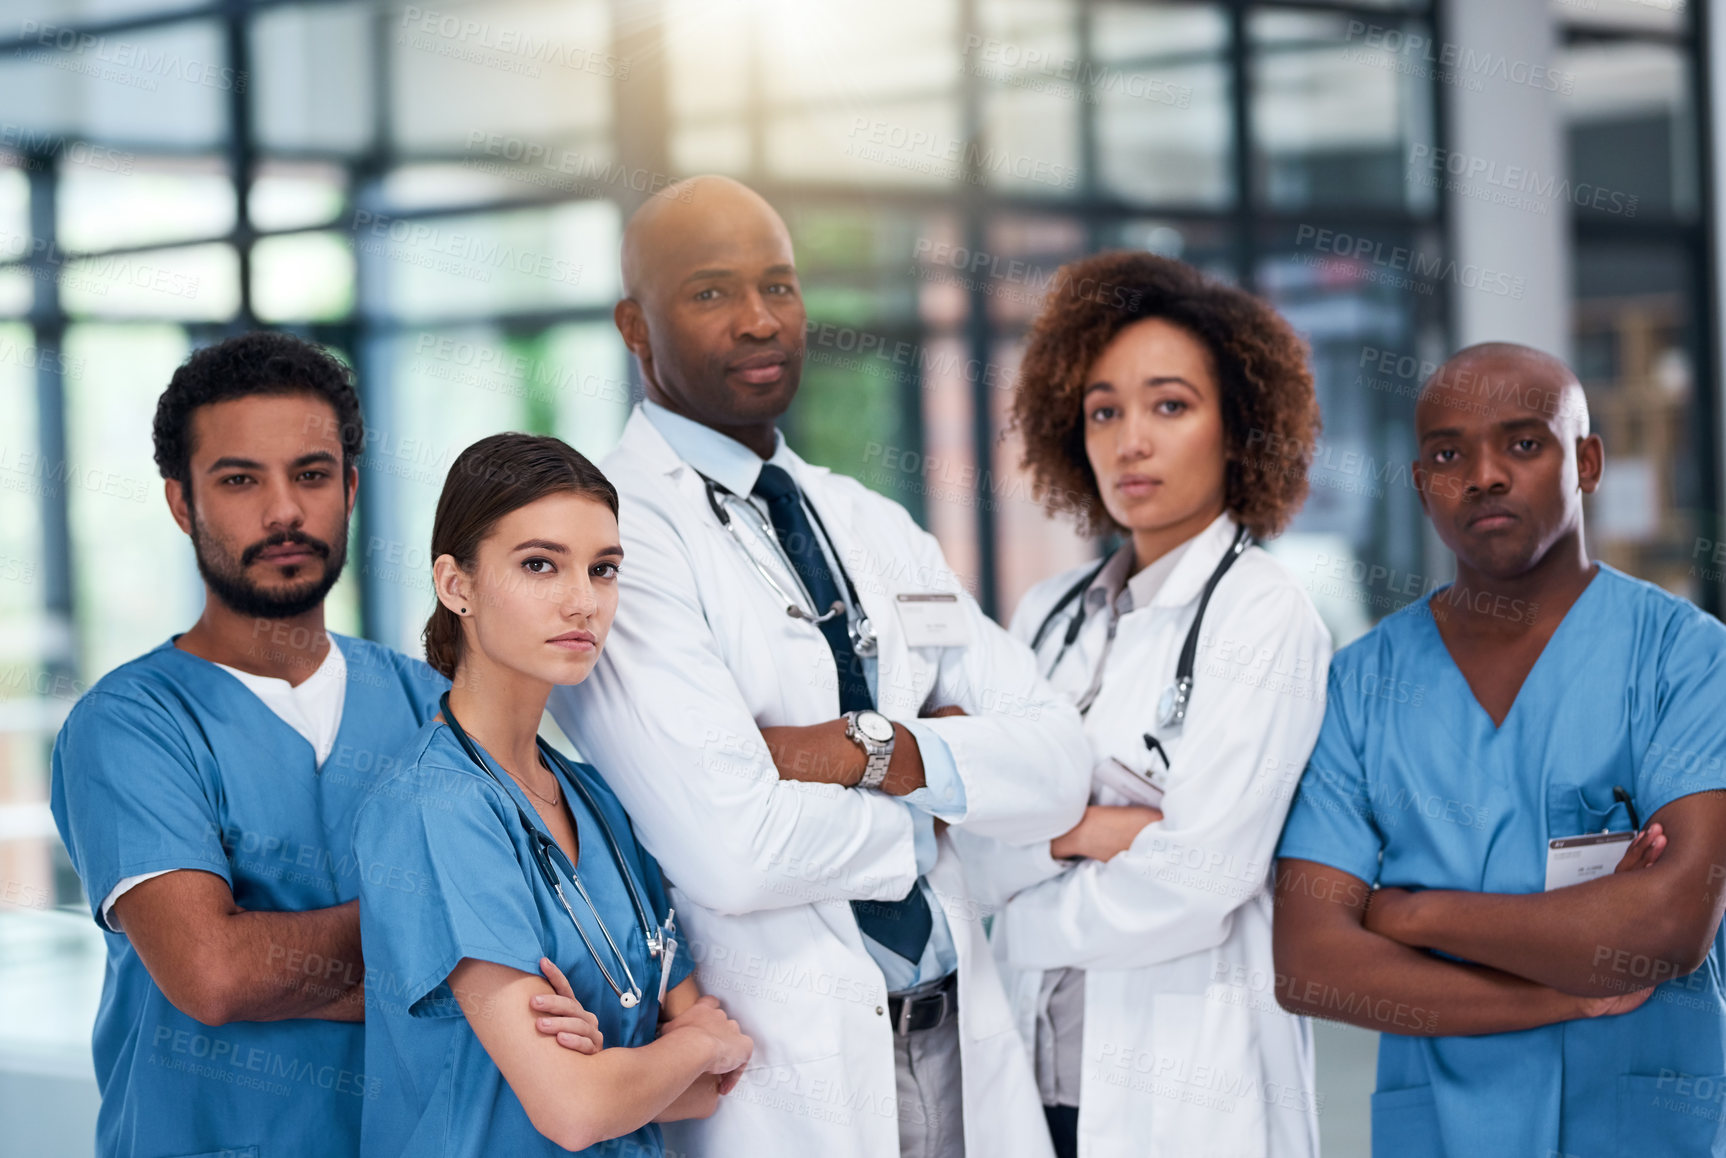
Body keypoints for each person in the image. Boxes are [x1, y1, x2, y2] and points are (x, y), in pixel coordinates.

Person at [547, 175, 1092, 1158]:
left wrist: (862, 749)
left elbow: (1057, 768)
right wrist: (941, 809)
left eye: (781, 286)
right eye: (712, 293)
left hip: (960, 1030)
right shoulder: (615, 538)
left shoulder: (869, 523)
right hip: (792, 1069)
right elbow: (736, 847)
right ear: (638, 323)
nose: (760, 321)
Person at [1274, 342, 1726, 1156]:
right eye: (1448, 454)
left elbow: (1669, 924)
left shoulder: (1684, 658)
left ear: (1586, 462)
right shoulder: (1363, 685)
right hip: (1444, 1130)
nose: (1482, 474)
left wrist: (1409, 911)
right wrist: (1570, 992)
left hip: (1641, 1124)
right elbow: (1312, 962)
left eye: (1523, 443)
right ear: (1421, 485)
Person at [954, 252, 1332, 1158]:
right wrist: (1097, 829)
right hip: (1034, 1071)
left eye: (1170, 405)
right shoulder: (1048, 613)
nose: (1131, 441)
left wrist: (1029, 892)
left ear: (1238, 426)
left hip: (1184, 1085)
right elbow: (968, 850)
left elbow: (1201, 880)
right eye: (1104, 411)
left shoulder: (1264, 612)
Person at [48, 332, 446, 1158]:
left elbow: (542, 919)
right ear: (182, 503)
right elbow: (216, 975)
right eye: (239, 480)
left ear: (350, 488)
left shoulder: (431, 702)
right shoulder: (129, 724)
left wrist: (298, 958)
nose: (284, 513)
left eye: (310, 474)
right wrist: (443, 946)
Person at [352, 432, 754, 1157]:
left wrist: (632, 1067)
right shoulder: (435, 807)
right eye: (540, 564)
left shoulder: (597, 798)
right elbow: (573, 1110)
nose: (582, 601)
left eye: (603, 569)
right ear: (456, 585)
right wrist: (684, 1048)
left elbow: (703, 1091)